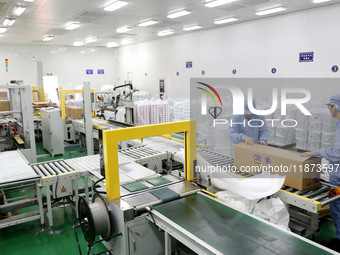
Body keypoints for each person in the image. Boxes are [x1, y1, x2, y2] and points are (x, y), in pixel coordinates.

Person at [301, 94, 340, 251]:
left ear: (334, 107)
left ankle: (339, 241)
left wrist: (315, 153)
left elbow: (337, 153)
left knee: (336, 207)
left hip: (338, 179)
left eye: (329, 106)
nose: (328, 109)